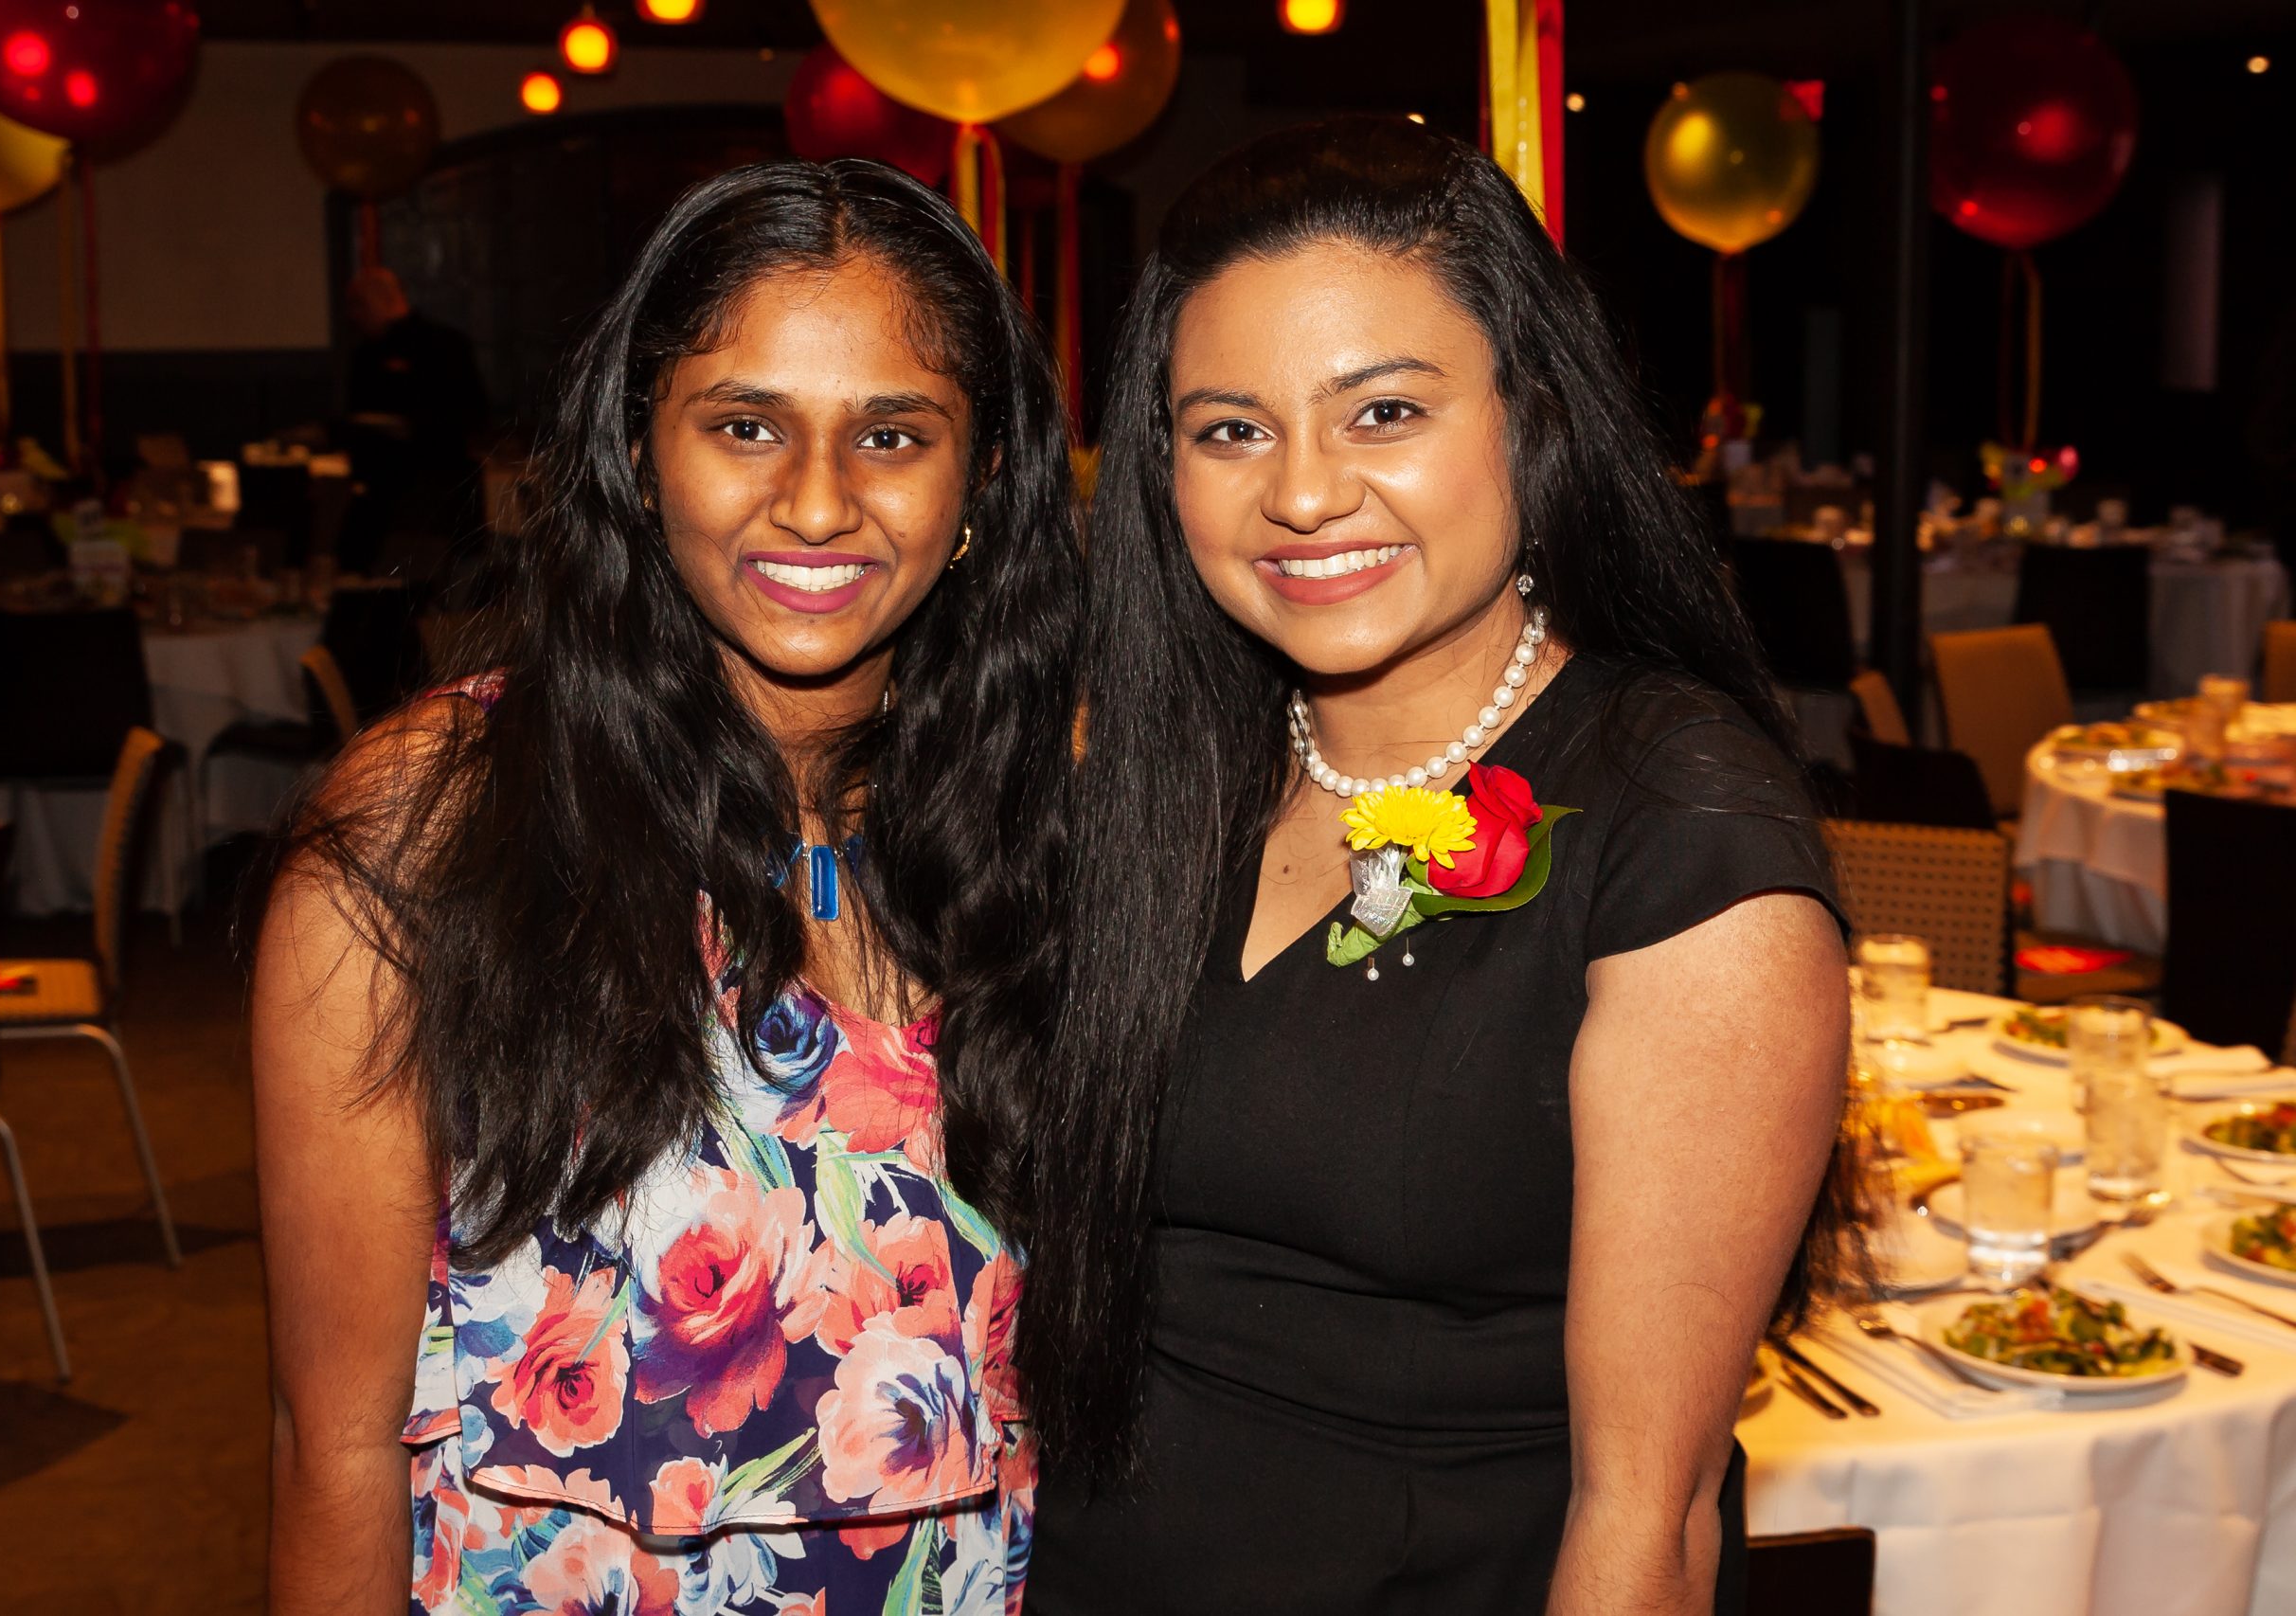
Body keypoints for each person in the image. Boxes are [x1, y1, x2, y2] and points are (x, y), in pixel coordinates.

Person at [1021, 118, 1856, 1614]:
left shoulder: (1676, 820)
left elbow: (1646, 1518)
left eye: (1385, 411)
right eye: (1230, 430)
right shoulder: (1165, 770)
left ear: (1532, 415)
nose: (1303, 493)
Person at [252, 160, 1078, 1614]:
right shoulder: (439, 822)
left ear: (983, 482)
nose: (814, 502)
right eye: (745, 425)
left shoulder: (1049, 831)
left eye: (892, 433)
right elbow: (334, 1448)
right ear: (639, 454)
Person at [340, 266, 493, 576]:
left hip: (434, 490)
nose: (352, 316)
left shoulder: (444, 345)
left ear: (384, 300)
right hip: (380, 494)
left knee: (424, 577)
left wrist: (412, 427)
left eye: (359, 305)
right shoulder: (365, 354)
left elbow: (473, 415)